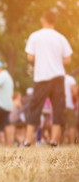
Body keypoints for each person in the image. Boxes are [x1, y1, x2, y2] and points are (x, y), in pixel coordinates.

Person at [23, 10, 73, 147]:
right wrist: (56, 61)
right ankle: (54, 141)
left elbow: (30, 57)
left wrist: (41, 61)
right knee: (58, 108)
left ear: (43, 20)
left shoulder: (35, 36)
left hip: (42, 77)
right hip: (58, 77)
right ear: (54, 21)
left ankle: (27, 140)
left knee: (35, 108)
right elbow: (68, 59)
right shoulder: (61, 38)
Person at [63, 74, 77, 145]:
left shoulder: (55, 79)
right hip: (69, 104)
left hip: (58, 106)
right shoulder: (70, 79)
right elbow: (75, 92)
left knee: (59, 124)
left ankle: (58, 144)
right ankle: (72, 143)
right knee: (72, 125)